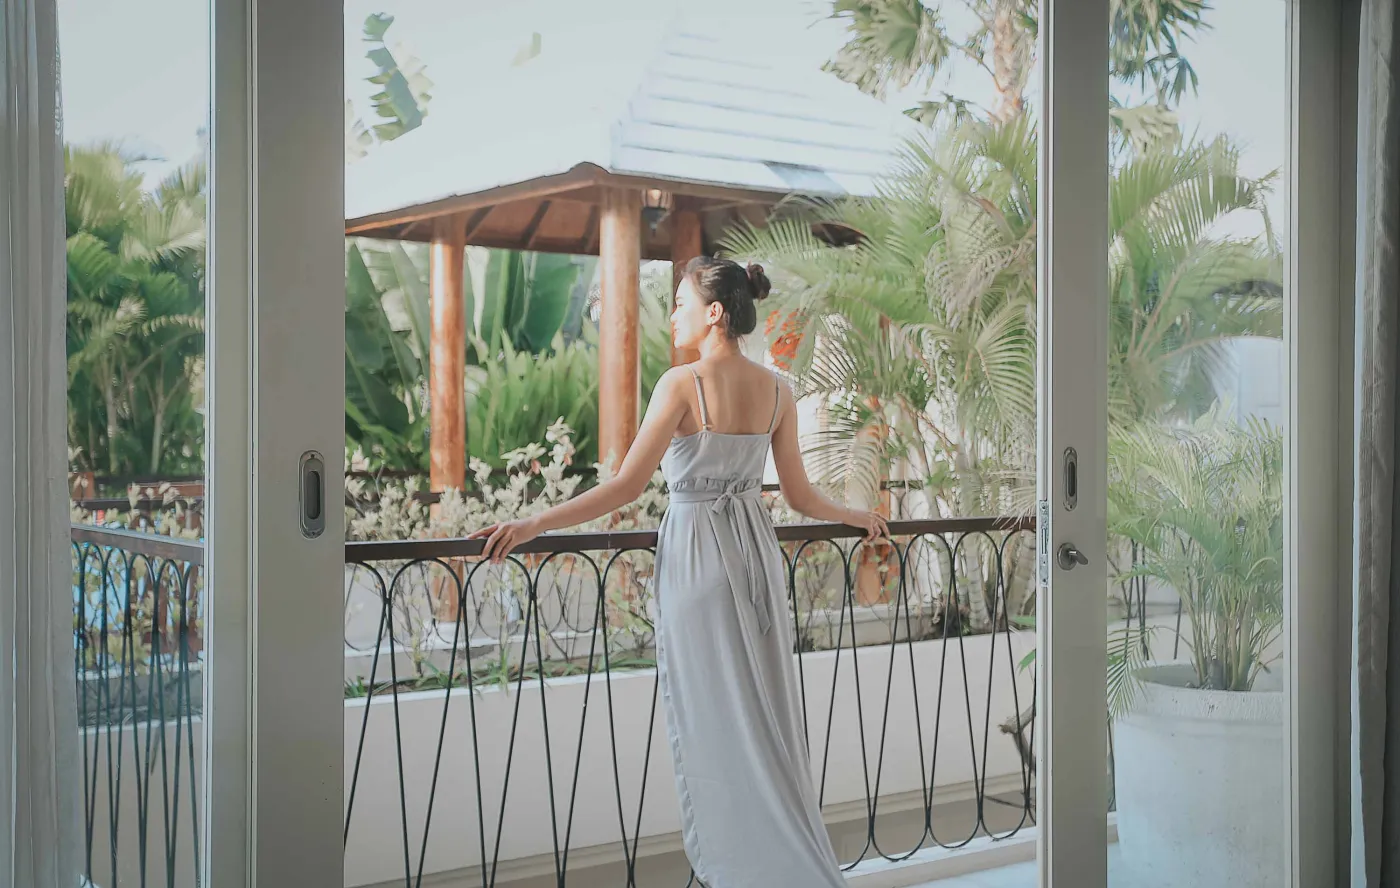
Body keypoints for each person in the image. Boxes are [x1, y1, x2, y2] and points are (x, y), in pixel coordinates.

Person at [470, 256, 888, 887]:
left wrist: (532, 524)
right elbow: (800, 498)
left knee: (710, 725)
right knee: (767, 720)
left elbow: (624, 488)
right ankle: (786, 867)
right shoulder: (778, 389)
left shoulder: (680, 383)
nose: (672, 314)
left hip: (699, 557)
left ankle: (735, 869)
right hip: (756, 558)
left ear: (715, 312)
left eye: (681, 303)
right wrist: (860, 518)